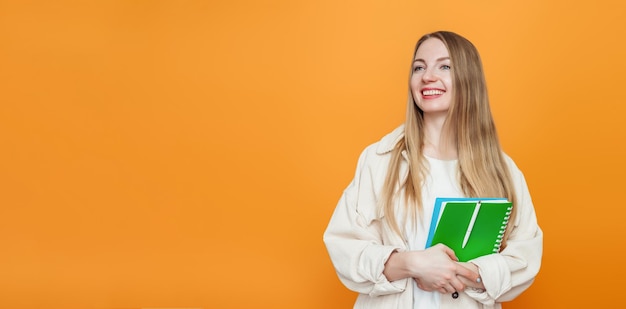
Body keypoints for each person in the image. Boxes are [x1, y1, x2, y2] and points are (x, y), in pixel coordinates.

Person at [323, 31, 542, 308]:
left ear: (468, 79)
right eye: (419, 67)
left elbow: (525, 257)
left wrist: (463, 273)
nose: (427, 76)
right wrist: (412, 264)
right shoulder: (378, 160)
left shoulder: (502, 170)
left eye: (445, 66)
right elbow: (345, 249)